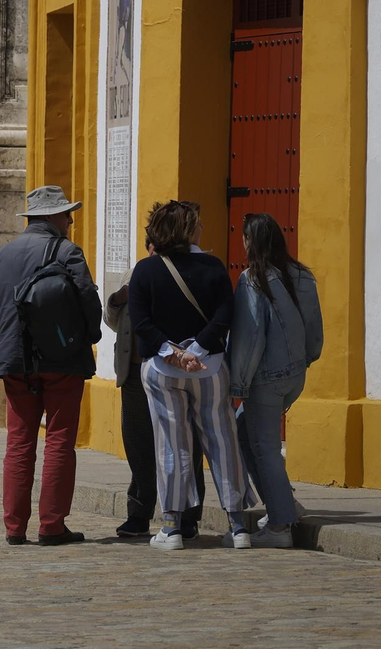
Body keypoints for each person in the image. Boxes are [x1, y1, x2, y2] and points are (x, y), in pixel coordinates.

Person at [128, 199, 258, 550]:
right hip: (209, 368)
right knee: (223, 443)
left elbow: (140, 320)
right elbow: (225, 314)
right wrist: (197, 350)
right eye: (197, 223)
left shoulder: (146, 270)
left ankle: (171, 526)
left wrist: (173, 353)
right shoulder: (212, 267)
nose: (202, 228)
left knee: (171, 445)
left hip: (162, 370)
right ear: (187, 229)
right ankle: (237, 525)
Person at [0, 185, 102, 546]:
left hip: (15, 361)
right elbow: (88, 303)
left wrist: (11, 343)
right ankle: (52, 525)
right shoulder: (67, 251)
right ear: (52, 216)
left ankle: (14, 526)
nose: (70, 220)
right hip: (62, 360)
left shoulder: (1, 256)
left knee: (18, 441)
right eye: (67, 214)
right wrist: (87, 338)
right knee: (60, 440)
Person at [228, 212, 323, 548]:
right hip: (294, 373)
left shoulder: (252, 280)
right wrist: (306, 359)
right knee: (243, 432)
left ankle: (280, 526)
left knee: (264, 447)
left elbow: (249, 337)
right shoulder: (301, 274)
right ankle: (285, 502)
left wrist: (236, 385)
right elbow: (314, 328)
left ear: (251, 241)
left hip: (266, 378)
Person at [104, 247, 205, 540]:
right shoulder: (135, 273)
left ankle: (188, 516)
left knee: (186, 444)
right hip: (135, 372)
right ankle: (138, 512)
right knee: (138, 444)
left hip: (173, 372)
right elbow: (113, 320)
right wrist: (117, 299)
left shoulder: (188, 273)